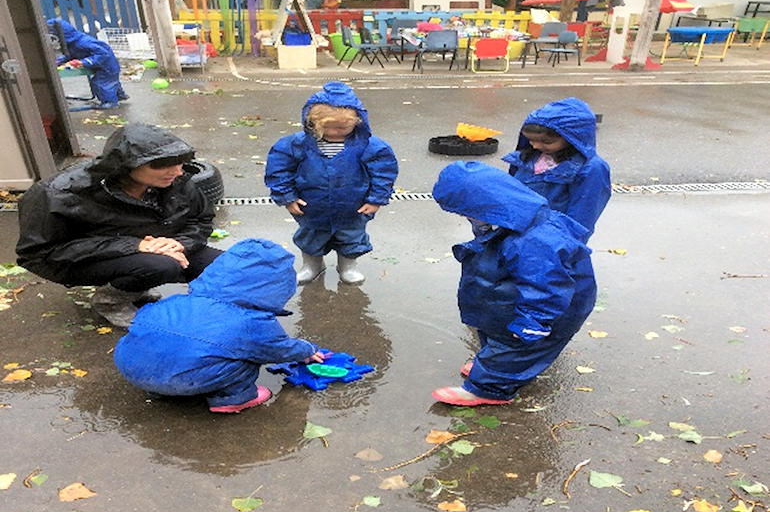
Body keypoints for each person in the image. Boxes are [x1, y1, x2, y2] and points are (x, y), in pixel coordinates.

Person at [16, 123, 222, 328]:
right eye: (162, 164)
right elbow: (38, 253)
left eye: (180, 162)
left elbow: (201, 219)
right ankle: (110, 301)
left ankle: (137, 285)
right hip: (82, 258)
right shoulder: (57, 193)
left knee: (223, 264)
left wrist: (177, 243)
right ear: (126, 165)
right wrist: (133, 246)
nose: (177, 171)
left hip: (150, 244)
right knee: (160, 267)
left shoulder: (179, 180)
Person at [430, 161, 597, 406]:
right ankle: (490, 364)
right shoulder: (511, 221)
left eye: (466, 212)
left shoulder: (534, 241)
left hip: (548, 307)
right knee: (496, 330)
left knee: (516, 345)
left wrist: (533, 321)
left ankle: (489, 389)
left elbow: (547, 286)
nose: (465, 217)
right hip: (514, 294)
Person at [113, 238, 326, 414]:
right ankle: (233, 399)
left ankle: (159, 390)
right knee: (247, 357)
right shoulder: (254, 322)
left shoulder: (176, 301)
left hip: (132, 369)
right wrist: (308, 350)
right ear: (277, 288)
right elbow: (279, 348)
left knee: (161, 342)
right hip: (186, 380)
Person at [265, 81, 398, 285]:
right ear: (313, 123)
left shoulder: (369, 146)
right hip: (311, 206)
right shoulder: (296, 144)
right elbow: (279, 169)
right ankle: (312, 265)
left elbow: (384, 171)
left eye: (342, 127)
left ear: (357, 121)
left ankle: (348, 266)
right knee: (310, 236)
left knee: (352, 236)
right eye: (329, 128)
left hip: (353, 207)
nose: (336, 132)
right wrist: (287, 196)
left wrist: (376, 199)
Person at [501, 97, 611, 238]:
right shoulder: (527, 156)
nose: (536, 146)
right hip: (514, 236)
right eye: (530, 140)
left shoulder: (591, 169)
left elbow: (580, 223)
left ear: (572, 138)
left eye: (547, 142)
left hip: (551, 244)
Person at [47, 18, 128, 109]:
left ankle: (110, 103)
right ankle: (119, 95)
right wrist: (59, 61)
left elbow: (103, 54)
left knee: (101, 83)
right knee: (110, 82)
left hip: (107, 65)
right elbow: (70, 55)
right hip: (100, 65)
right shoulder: (72, 44)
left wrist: (83, 62)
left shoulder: (83, 42)